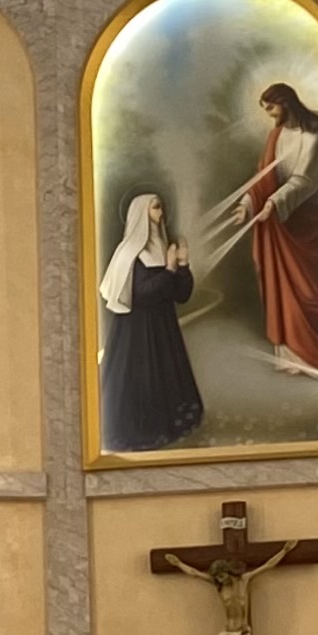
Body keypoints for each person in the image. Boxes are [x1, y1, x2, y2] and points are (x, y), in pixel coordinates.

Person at [238, 83, 318, 387]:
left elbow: (307, 178)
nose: (269, 115)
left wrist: (273, 203)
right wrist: (248, 203)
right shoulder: (276, 135)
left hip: (312, 219)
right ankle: (294, 357)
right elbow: (264, 175)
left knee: (315, 294)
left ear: (286, 103)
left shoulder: (315, 131)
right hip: (282, 220)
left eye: (271, 107)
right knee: (286, 288)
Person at [99, 191, 204, 450]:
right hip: (137, 333)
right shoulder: (128, 254)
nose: (161, 214)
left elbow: (182, 295)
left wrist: (183, 264)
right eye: (156, 208)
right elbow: (142, 295)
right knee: (141, 380)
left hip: (163, 329)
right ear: (141, 213)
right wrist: (168, 270)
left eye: (161, 208)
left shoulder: (162, 248)